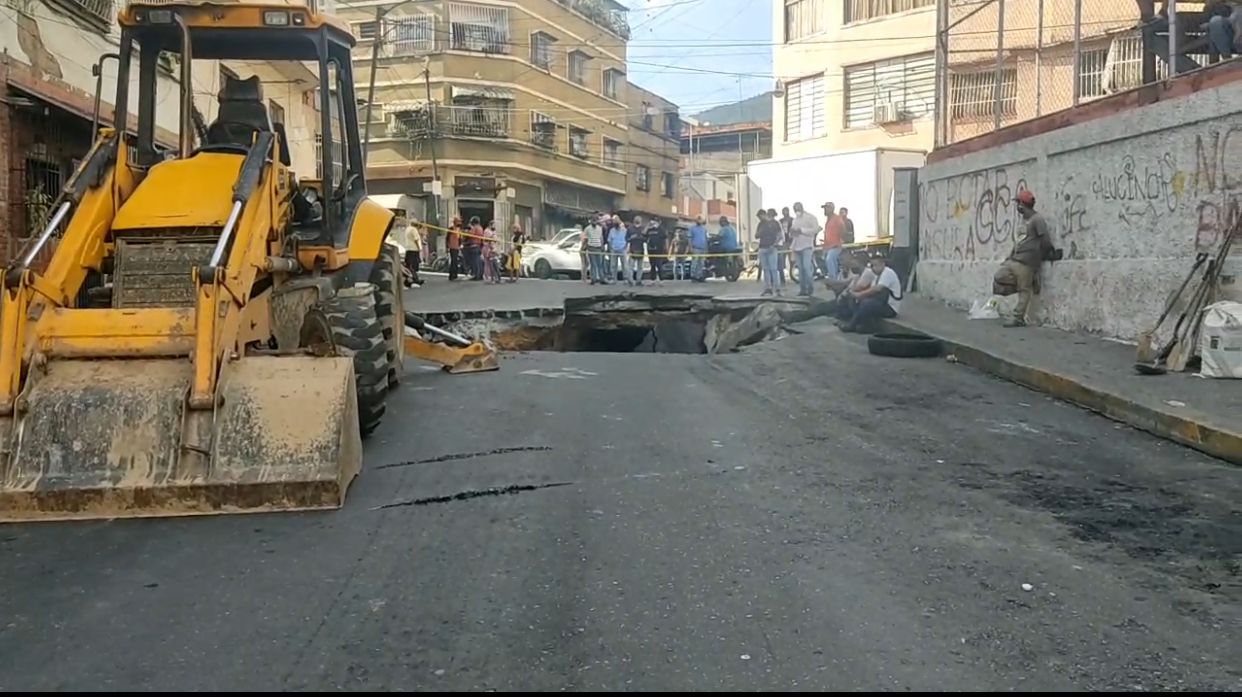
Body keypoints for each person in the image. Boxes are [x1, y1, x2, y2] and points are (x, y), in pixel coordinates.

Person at [993, 189, 1053, 328]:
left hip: (1027, 263)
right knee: (999, 278)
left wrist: (1041, 256)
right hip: (1014, 260)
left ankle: (1018, 318)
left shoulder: (1037, 220)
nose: (1017, 206)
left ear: (1022, 204)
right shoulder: (1024, 221)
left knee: (1024, 290)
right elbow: (1019, 241)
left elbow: (1045, 240)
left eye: (1018, 203)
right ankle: (1026, 284)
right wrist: (1009, 257)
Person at [839, 253, 902, 333]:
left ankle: (852, 325)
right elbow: (871, 289)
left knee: (867, 303)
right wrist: (856, 295)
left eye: (875, 265)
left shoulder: (888, 272)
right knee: (858, 300)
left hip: (890, 308)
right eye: (872, 265)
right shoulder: (876, 275)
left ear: (883, 264)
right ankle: (863, 325)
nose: (873, 268)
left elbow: (877, 289)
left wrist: (860, 295)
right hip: (881, 302)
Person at [790, 202, 820, 297]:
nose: (796, 210)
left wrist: (802, 230)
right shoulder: (795, 220)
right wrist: (793, 233)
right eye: (795, 209)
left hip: (807, 246)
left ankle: (810, 288)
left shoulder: (810, 217)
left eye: (798, 208)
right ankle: (803, 290)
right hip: (797, 246)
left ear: (802, 207)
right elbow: (793, 235)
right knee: (801, 270)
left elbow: (815, 229)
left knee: (807, 268)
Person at [755, 209, 783, 296]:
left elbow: (780, 236)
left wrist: (774, 245)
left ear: (764, 215)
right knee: (765, 269)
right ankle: (768, 288)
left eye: (760, 217)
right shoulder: (761, 224)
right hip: (762, 247)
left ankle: (777, 289)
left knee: (773, 269)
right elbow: (756, 235)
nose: (759, 219)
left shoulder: (775, 223)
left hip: (772, 248)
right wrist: (760, 232)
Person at [821, 202, 845, 281]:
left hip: (836, 246)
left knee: (830, 259)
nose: (825, 210)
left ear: (831, 209)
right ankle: (835, 278)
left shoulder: (837, 218)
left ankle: (833, 279)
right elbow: (826, 235)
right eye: (824, 208)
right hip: (829, 247)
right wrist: (824, 247)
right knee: (831, 261)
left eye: (826, 208)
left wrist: (840, 241)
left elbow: (842, 230)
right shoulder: (828, 220)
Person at [583, 214, 608, 285]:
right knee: (593, 264)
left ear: (597, 221)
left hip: (599, 248)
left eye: (595, 220)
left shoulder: (600, 228)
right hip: (591, 248)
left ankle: (601, 279)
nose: (594, 222)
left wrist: (602, 247)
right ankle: (593, 279)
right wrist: (584, 247)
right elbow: (585, 239)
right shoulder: (587, 229)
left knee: (600, 264)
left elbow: (601, 238)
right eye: (593, 220)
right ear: (591, 221)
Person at [607, 215, 630, 286]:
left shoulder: (624, 230)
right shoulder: (612, 230)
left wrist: (625, 247)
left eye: (616, 221)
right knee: (613, 265)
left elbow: (627, 240)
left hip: (622, 249)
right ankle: (614, 279)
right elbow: (609, 240)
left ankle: (625, 279)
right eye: (614, 221)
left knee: (625, 265)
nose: (615, 223)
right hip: (614, 250)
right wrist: (611, 248)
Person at [646, 219, 668, 285]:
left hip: (659, 250)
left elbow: (666, 238)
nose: (653, 223)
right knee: (652, 265)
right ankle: (653, 280)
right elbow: (643, 234)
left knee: (659, 265)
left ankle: (661, 280)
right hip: (651, 250)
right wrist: (647, 226)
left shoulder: (661, 229)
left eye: (655, 222)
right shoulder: (649, 229)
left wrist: (666, 247)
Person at [627, 216, 648, 286]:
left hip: (641, 250)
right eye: (637, 219)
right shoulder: (630, 229)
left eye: (639, 220)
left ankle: (638, 280)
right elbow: (626, 239)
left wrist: (642, 237)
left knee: (640, 267)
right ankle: (630, 280)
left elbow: (646, 239)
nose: (638, 220)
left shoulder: (643, 229)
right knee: (631, 267)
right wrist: (631, 238)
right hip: (632, 250)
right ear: (634, 220)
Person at [688, 215, 709, 282]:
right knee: (695, 263)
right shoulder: (692, 228)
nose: (699, 221)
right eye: (698, 219)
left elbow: (706, 239)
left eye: (700, 219)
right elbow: (689, 238)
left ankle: (699, 276)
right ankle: (693, 276)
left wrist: (706, 248)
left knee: (701, 263)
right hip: (695, 248)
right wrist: (690, 247)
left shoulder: (704, 229)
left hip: (702, 248)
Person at [446, 215, 463, 281]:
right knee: (453, 261)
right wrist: (447, 246)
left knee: (455, 261)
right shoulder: (451, 229)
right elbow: (447, 238)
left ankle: (455, 274)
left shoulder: (459, 230)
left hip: (456, 247)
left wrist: (460, 244)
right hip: (452, 246)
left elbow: (460, 239)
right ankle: (452, 275)